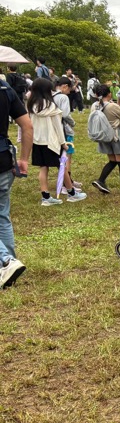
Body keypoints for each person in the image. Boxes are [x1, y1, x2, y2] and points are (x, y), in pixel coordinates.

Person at [28, 78, 82, 205]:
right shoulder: (51, 106)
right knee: (62, 166)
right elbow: (58, 127)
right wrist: (63, 143)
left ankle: (45, 197)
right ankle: (72, 193)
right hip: (52, 142)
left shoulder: (31, 105)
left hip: (37, 141)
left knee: (43, 168)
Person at [0, 75, 32, 288]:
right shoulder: (5, 89)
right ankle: (9, 268)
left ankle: (6, 261)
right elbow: (27, 126)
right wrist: (24, 159)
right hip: (4, 159)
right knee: (2, 216)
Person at [90, 84, 120, 195]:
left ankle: (101, 180)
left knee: (113, 161)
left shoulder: (94, 106)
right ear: (109, 94)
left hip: (103, 136)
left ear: (96, 95)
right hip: (115, 135)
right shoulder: (112, 106)